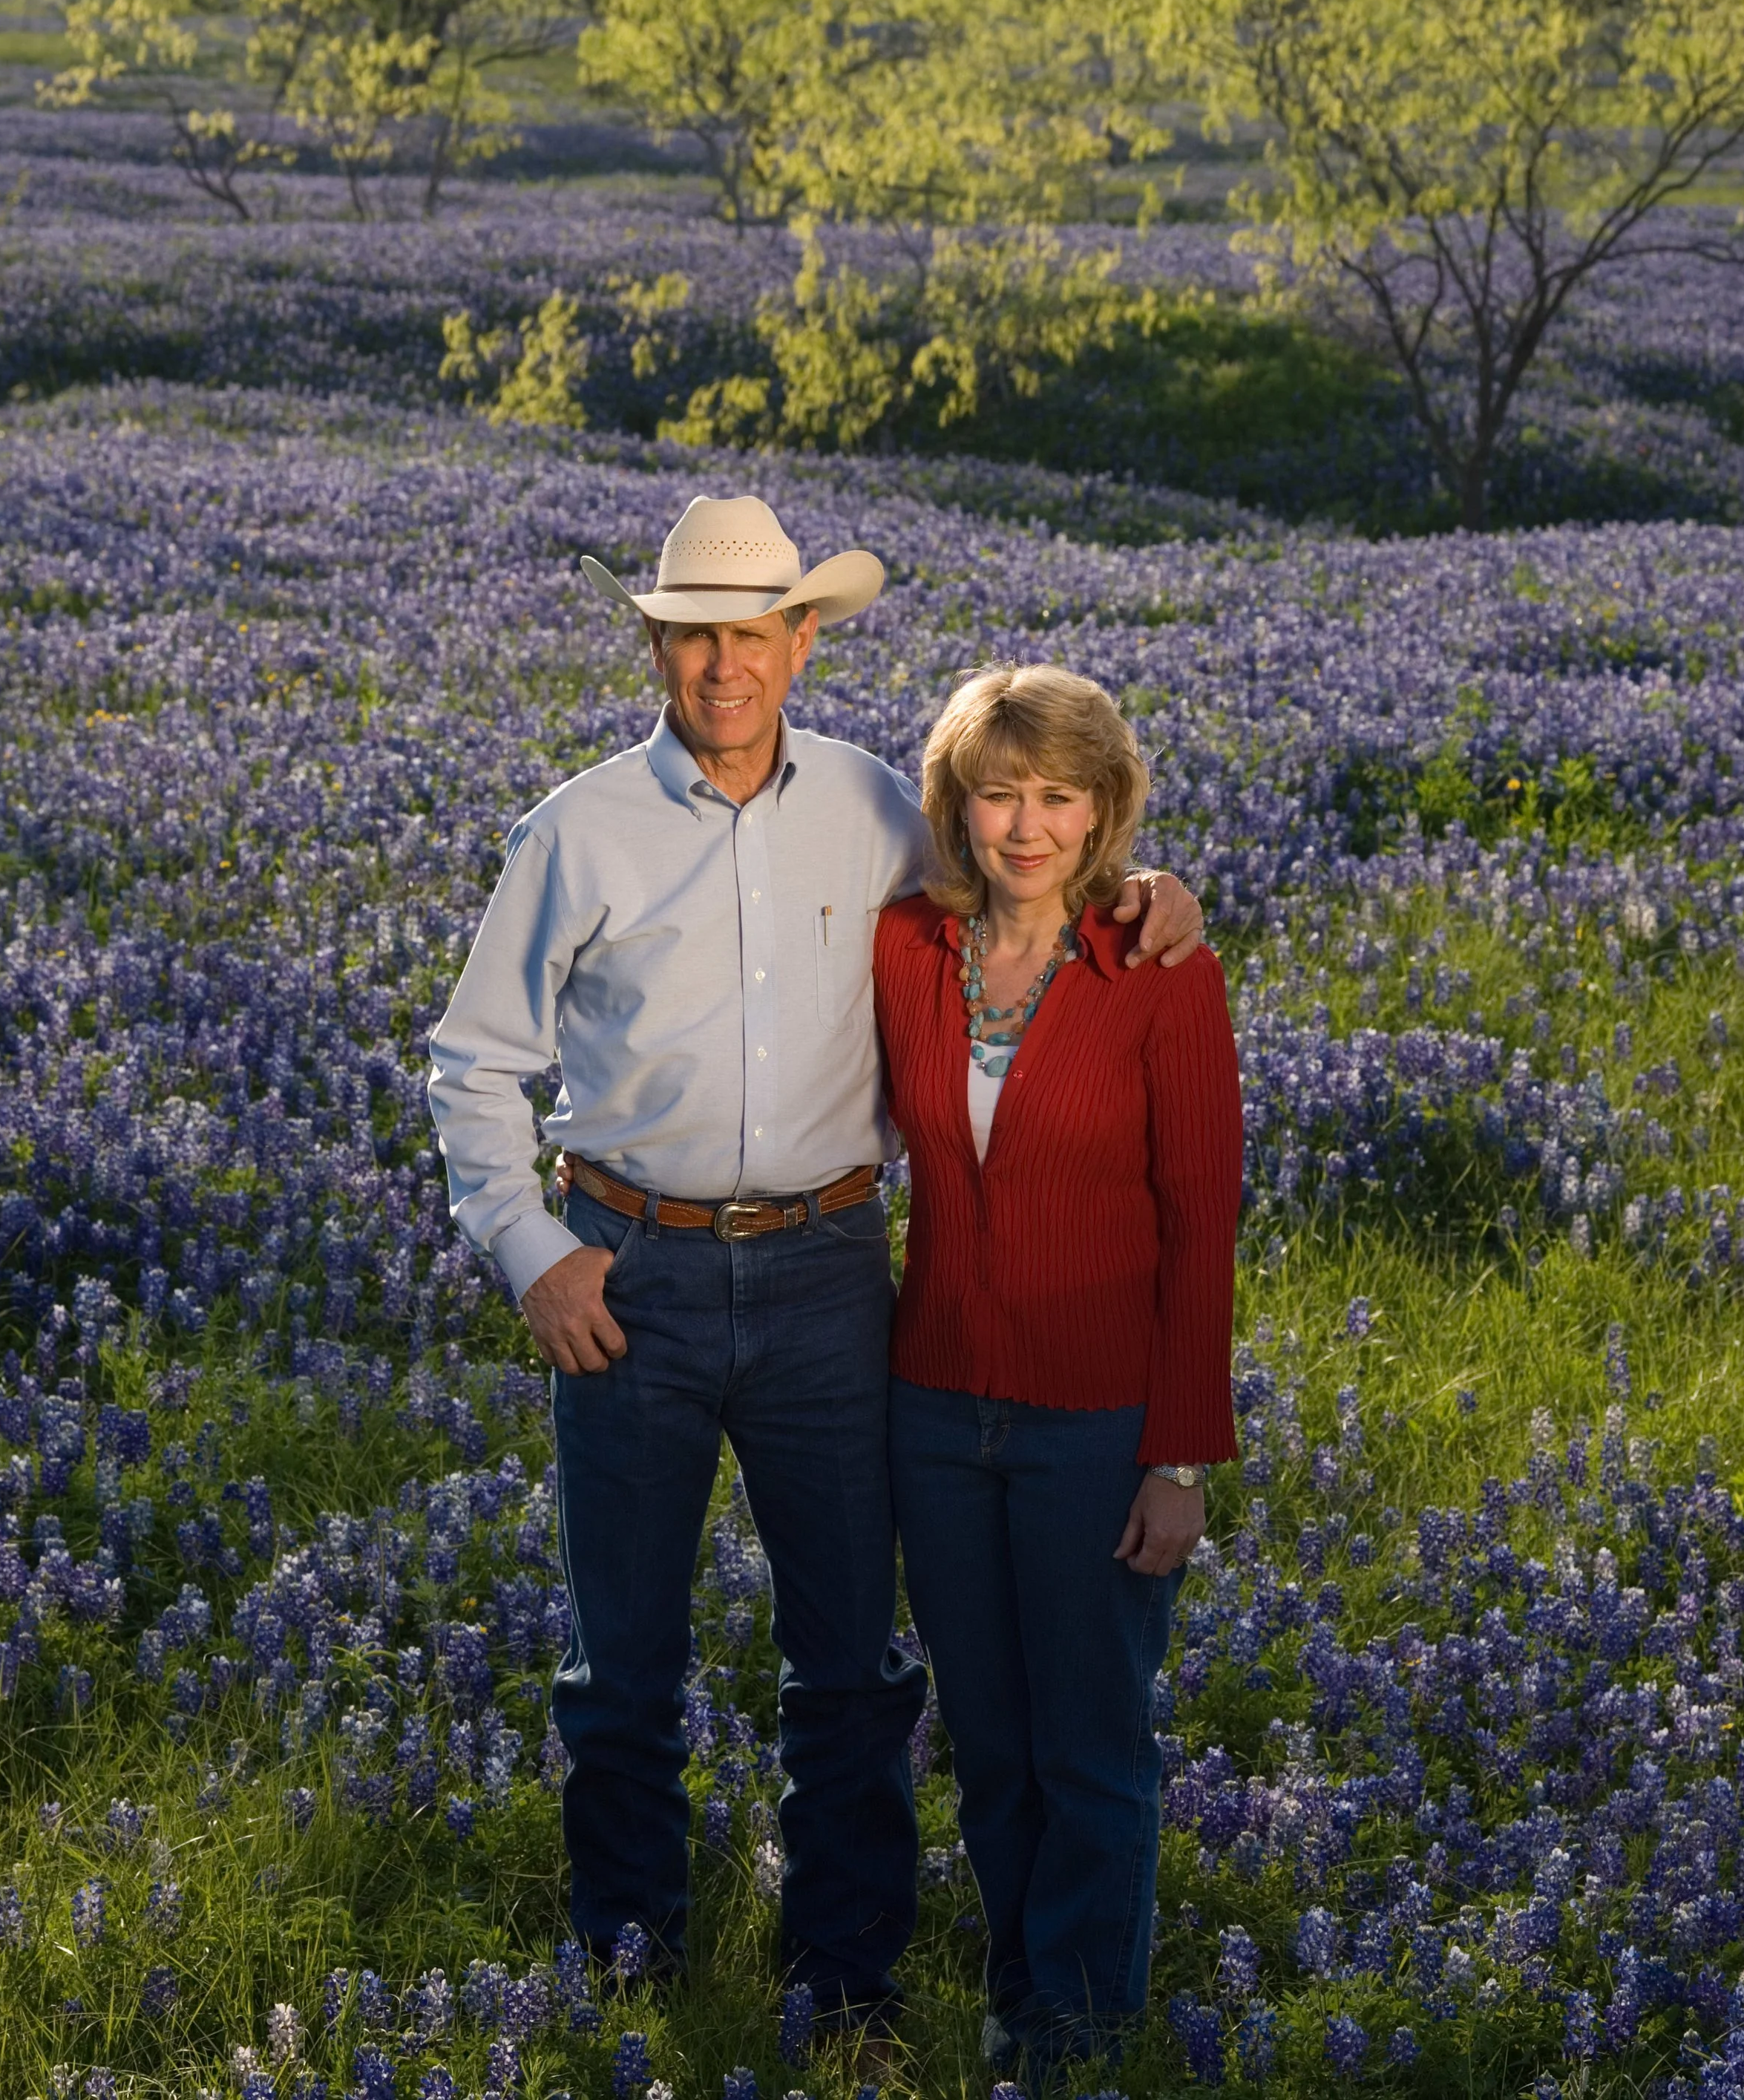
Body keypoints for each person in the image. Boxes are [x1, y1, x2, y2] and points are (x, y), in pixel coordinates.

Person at [425, 495, 1204, 2034]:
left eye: (755, 634)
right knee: (620, 1666)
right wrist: (531, 1252)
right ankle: (631, 1964)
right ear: (657, 642)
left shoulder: (872, 807)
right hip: (623, 1268)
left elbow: (1028, 863)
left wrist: (1146, 891)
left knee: (847, 1657)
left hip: (830, 1273)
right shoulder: (574, 829)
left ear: (801, 640)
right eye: (695, 634)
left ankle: (844, 1973)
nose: (727, 666)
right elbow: (469, 1063)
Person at [873, 664, 1242, 2084]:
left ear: (1104, 813)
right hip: (935, 1402)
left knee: (1091, 1741)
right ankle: (1022, 1986)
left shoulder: (1159, 967)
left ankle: (1079, 2029)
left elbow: (1201, 1220)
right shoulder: (910, 948)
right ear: (959, 804)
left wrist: (1181, 1455)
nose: (1027, 824)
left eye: (1059, 796)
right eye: (1001, 791)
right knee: (989, 1732)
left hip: (1099, 1422)